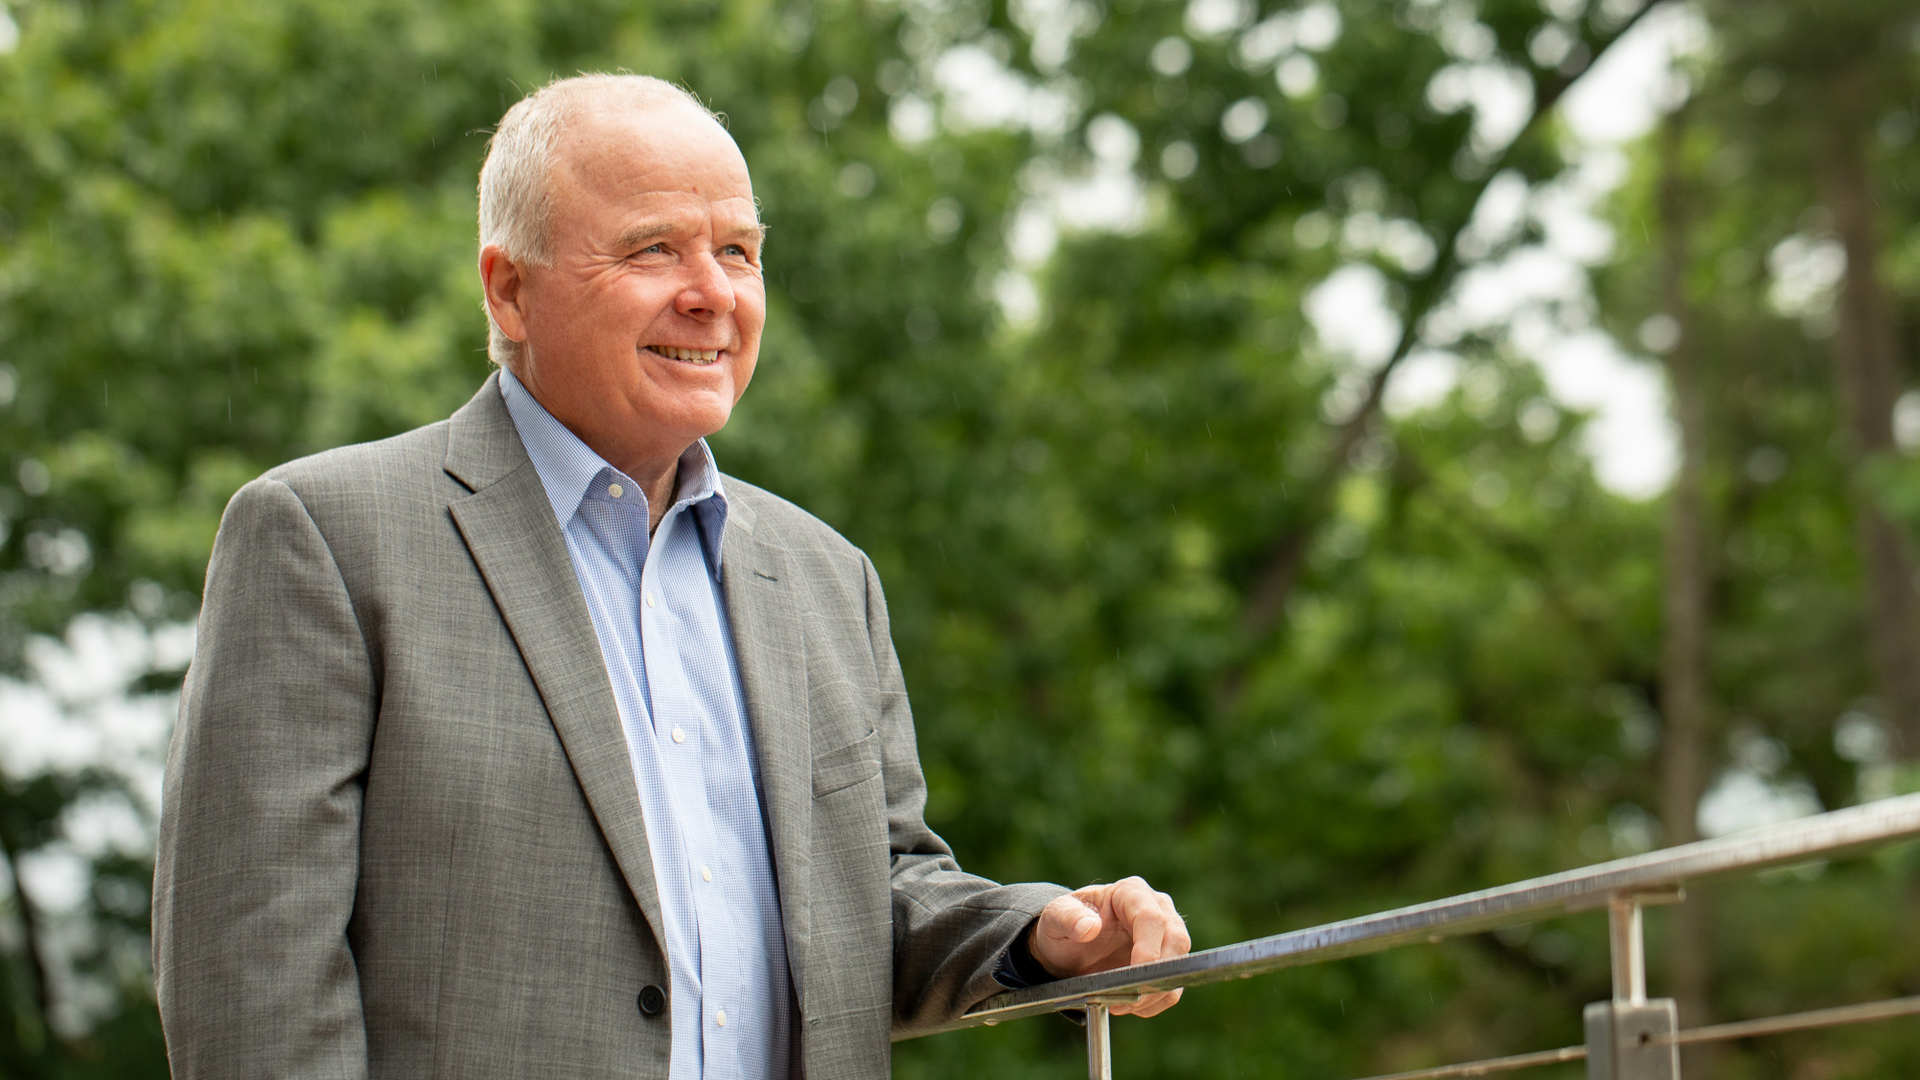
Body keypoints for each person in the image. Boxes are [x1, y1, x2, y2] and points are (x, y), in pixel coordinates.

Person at [152, 73, 1189, 1079]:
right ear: (510, 289)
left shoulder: (830, 579)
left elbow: (873, 897)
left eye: (739, 252)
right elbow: (251, 987)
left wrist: (1039, 935)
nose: (713, 295)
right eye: (653, 250)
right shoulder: (322, 538)